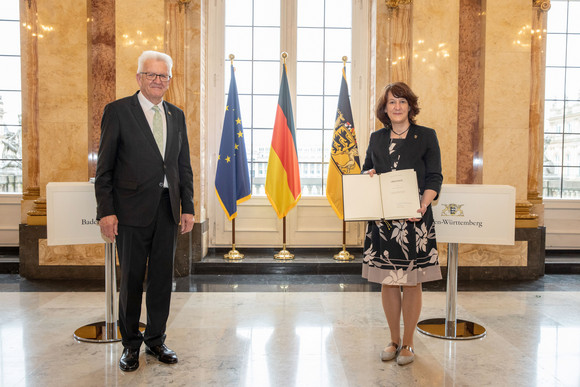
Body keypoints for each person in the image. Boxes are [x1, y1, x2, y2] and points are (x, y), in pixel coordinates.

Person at [95, 50, 195, 372]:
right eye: (151, 75)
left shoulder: (176, 115)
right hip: (131, 213)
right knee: (133, 280)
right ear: (139, 77)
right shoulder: (118, 112)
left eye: (163, 76)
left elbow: (183, 166)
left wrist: (188, 207)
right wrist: (106, 212)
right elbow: (105, 169)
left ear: (169, 80)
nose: (157, 81)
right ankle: (130, 346)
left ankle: (156, 340)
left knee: (162, 281)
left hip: (168, 210)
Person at [361, 82, 443, 365]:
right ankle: (393, 339)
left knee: (411, 282)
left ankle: (408, 343)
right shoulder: (376, 138)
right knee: (388, 281)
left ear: (410, 106)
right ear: (384, 109)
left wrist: (424, 204)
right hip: (383, 223)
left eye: (401, 102)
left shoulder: (426, 136)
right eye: (391, 102)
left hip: (414, 220)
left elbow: (434, 176)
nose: (396, 107)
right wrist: (369, 174)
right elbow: (367, 171)